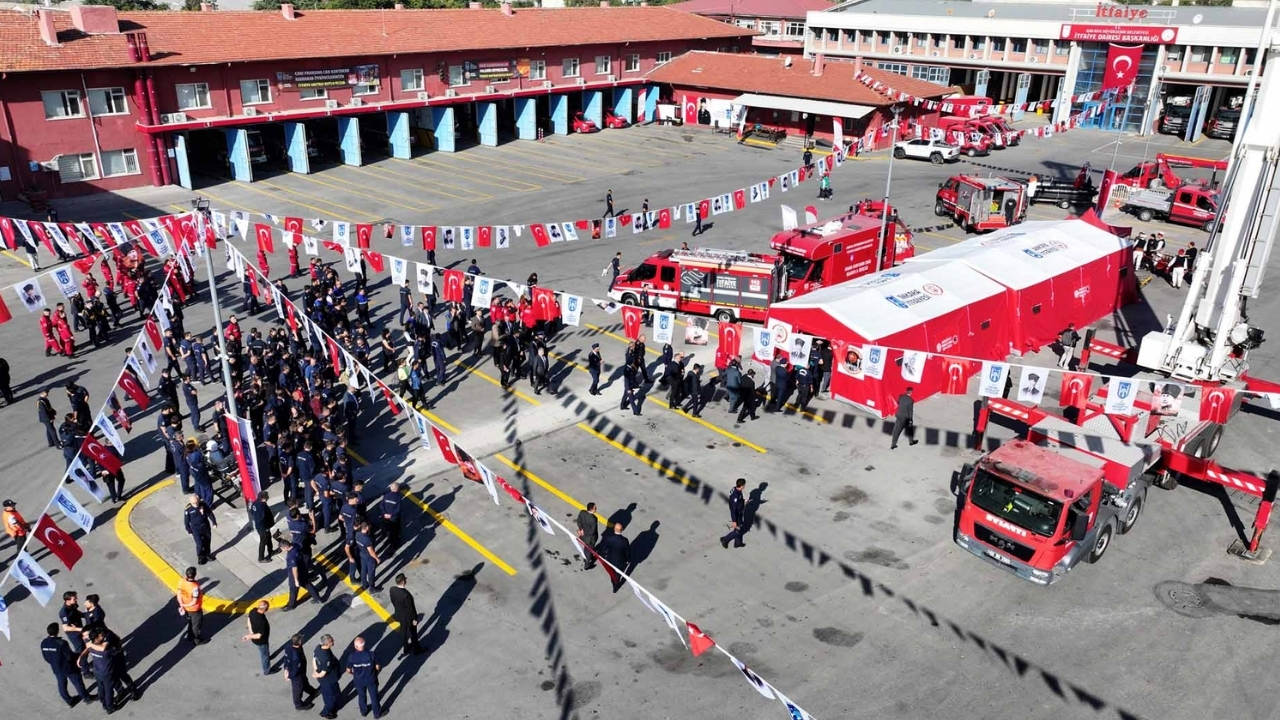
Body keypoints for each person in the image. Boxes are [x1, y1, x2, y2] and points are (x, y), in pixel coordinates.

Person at [42, 622, 93, 707]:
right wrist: (78, 656)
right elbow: (69, 656)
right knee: (78, 682)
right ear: (57, 631)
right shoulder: (62, 643)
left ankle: (69, 701)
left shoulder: (44, 643)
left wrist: (54, 663)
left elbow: (46, 657)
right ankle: (86, 698)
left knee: (62, 684)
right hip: (68, 668)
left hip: (56, 668)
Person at [345, 636, 384, 719]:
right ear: (364, 645)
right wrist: (375, 673)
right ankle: (377, 714)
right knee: (374, 696)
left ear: (356, 646)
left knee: (361, 695)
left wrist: (354, 674)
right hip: (371, 679)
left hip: (358, 680)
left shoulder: (351, 656)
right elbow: (377, 667)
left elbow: (348, 670)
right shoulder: (371, 654)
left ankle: (364, 712)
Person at [388, 573, 424, 658]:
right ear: (403, 582)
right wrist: (414, 619)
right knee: (413, 633)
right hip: (408, 618)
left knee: (403, 631)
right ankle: (417, 649)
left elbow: (393, 601)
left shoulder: (392, 589)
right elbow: (411, 609)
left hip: (399, 615)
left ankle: (405, 647)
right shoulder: (406, 595)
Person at [281, 537, 321, 610]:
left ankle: (291, 605)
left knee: (293, 589)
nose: (282, 550)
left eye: (282, 548)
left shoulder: (291, 556)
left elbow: (294, 568)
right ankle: (317, 598)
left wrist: (296, 580)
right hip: (303, 569)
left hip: (296, 574)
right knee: (307, 584)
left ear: (286, 547)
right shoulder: (295, 546)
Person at [284, 634, 317, 710]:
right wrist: (289, 676)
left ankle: (312, 691)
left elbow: (286, 658)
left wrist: (286, 668)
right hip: (297, 675)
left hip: (301, 672)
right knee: (297, 690)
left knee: (304, 683)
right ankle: (298, 705)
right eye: (301, 639)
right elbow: (295, 670)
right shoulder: (296, 657)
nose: (303, 639)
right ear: (299, 642)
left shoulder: (289, 646)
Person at [312, 635, 342, 719]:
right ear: (327, 643)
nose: (333, 641)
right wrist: (317, 674)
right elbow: (324, 672)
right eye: (332, 641)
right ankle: (326, 711)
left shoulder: (318, 648)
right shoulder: (326, 658)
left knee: (325, 692)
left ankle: (328, 704)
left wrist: (315, 670)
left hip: (323, 680)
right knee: (334, 695)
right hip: (330, 680)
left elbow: (314, 659)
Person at [595, 522, 630, 593]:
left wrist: (603, 557)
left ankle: (614, 583)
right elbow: (627, 551)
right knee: (618, 574)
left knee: (612, 572)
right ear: (622, 529)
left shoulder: (609, 538)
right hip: (621, 560)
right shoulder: (624, 540)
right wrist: (627, 559)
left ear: (614, 529)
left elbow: (604, 549)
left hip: (610, 559)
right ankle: (616, 585)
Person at [176, 566, 205, 645]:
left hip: (186, 608)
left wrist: (182, 604)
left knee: (191, 622)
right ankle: (197, 640)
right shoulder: (195, 587)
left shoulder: (181, 582)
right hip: (195, 609)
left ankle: (190, 636)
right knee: (196, 625)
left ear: (186, 574)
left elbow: (178, 594)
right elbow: (194, 602)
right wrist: (186, 605)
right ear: (195, 575)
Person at [183, 494, 216, 564]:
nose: (195, 504)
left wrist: (214, 522)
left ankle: (207, 554)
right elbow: (186, 521)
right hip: (196, 528)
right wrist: (188, 530)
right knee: (199, 544)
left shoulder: (203, 505)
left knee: (207, 541)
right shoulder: (188, 509)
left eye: (196, 502)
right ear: (191, 503)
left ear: (199, 501)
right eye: (193, 503)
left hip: (205, 526)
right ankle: (200, 556)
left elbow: (210, 513)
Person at [242, 600, 272, 675]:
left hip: (259, 639)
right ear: (266, 609)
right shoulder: (262, 622)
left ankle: (268, 656)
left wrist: (250, 631)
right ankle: (267, 670)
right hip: (262, 641)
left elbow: (248, 620)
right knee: (264, 655)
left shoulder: (253, 611)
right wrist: (249, 636)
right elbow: (258, 636)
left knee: (265, 651)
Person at [719, 478, 748, 549]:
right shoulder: (736, 496)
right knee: (738, 530)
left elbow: (738, 501)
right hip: (737, 514)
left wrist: (744, 501)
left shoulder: (736, 489)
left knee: (739, 527)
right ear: (741, 485)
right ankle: (725, 539)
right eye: (744, 484)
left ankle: (737, 543)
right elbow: (733, 509)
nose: (745, 486)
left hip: (740, 511)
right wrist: (734, 521)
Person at [249, 490, 275, 562]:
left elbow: (252, 512)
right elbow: (262, 519)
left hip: (262, 526)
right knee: (263, 542)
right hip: (263, 528)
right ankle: (261, 558)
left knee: (269, 539)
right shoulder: (261, 507)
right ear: (264, 498)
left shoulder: (255, 503)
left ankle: (271, 551)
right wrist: (266, 528)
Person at [4, 498, 30, 562]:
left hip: (20, 531)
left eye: (13, 505)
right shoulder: (10, 515)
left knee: (23, 545)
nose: (13, 506)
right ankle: (22, 559)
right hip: (19, 533)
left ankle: (24, 554)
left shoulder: (10, 511)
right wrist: (26, 527)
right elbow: (18, 525)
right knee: (21, 547)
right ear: (7, 507)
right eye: (11, 505)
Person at [576, 502, 599, 570]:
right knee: (588, 550)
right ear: (592, 509)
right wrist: (584, 532)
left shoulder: (582, 512)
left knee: (586, 547)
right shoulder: (594, 519)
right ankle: (587, 564)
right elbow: (592, 531)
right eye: (595, 508)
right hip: (590, 538)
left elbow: (578, 521)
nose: (596, 509)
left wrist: (581, 530)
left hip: (583, 536)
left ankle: (586, 557)